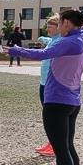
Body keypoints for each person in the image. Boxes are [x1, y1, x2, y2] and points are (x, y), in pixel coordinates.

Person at [7, 10, 83, 165]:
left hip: (57, 101)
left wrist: (16, 50)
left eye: (60, 23)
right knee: (68, 147)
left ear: (65, 23)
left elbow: (43, 53)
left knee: (61, 151)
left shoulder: (68, 42)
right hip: (72, 101)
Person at [33, 15, 61, 157]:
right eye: (47, 25)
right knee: (47, 115)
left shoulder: (60, 42)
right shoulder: (53, 40)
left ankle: (55, 146)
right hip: (43, 83)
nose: (47, 28)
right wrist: (41, 39)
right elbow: (48, 40)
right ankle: (52, 143)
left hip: (51, 85)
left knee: (52, 117)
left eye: (51, 26)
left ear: (59, 27)